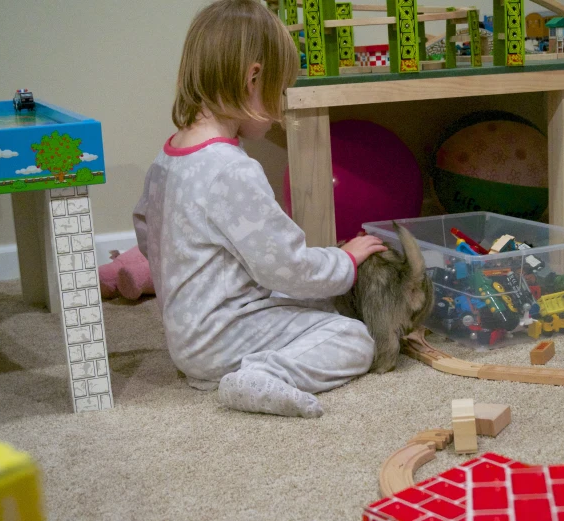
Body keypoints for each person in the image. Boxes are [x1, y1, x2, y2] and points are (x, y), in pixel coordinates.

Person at [133, 0, 386, 418]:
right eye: (280, 89)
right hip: (225, 337)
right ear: (253, 79)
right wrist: (344, 260)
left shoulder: (169, 157)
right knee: (352, 337)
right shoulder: (231, 170)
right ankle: (262, 374)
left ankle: (236, 366)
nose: (282, 104)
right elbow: (287, 266)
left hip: (187, 335)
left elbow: (147, 231)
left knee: (312, 306)